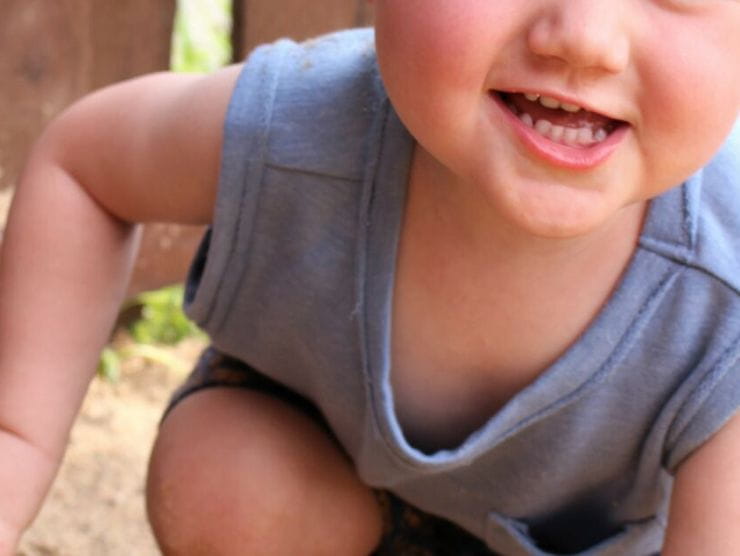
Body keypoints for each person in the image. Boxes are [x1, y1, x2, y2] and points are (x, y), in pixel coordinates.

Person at [1, 1, 739, 554]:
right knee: (220, 475)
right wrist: (17, 443)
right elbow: (87, 166)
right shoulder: (299, 124)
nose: (583, 36)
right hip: (324, 474)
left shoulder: (724, 306)